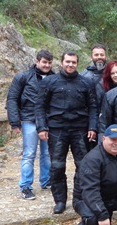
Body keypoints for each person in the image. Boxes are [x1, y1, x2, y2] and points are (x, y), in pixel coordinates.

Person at [36, 52, 97, 214]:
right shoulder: (49, 82)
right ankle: (60, 200)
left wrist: (92, 127)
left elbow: (93, 107)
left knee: (82, 165)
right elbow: (40, 106)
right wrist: (41, 127)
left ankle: (79, 198)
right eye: (68, 62)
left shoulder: (86, 82)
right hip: (57, 129)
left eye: (73, 62)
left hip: (80, 129)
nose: (70, 65)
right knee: (57, 166)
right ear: (62, 62)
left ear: (77, 63)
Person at [6, 49, 54, 200]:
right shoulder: (23, 77)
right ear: (37, 61)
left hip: (48, 121)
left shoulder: (54, 78)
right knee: (29, 154)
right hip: (29, 119)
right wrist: (15, 122)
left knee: (47, 153)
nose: (47, 65)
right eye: (44, 62)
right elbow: (12, 98)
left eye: (49, 63)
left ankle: (46, 180)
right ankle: (26, 185)